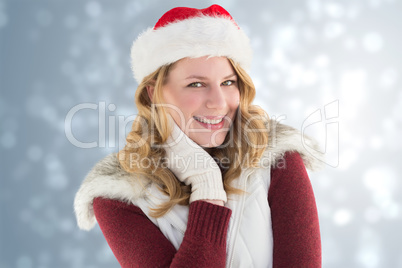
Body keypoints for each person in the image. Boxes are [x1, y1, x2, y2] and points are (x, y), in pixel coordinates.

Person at [74, 4, 323, 267]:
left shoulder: (277, 160)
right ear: (153, 93)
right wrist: (207, 187)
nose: (218, 102)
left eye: (228, 82)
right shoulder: (119, 196)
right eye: (196, 84)